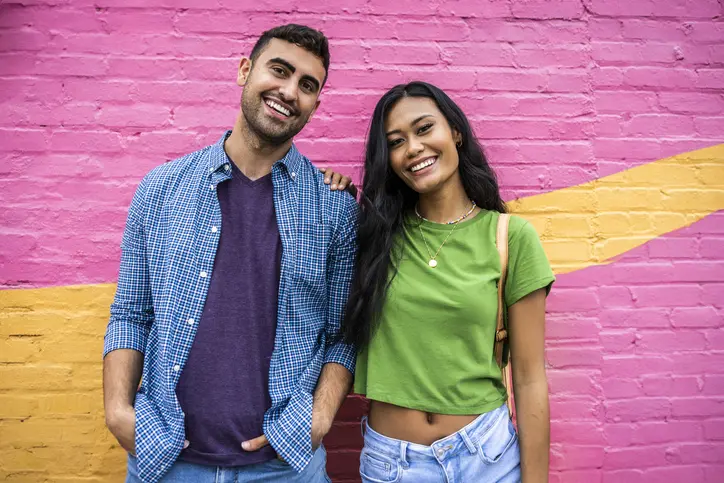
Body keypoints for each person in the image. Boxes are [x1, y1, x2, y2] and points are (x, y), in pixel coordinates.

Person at [103, 24, 359, 483]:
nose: (288, 91)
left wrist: (317, 420)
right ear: (245, 70)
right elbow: (130, 312)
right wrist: (118, 411)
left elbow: (343, 333)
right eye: (278, 70)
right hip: (166, 459)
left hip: (284, 466)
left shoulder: (333, 207)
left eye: (307, 85)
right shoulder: (161, 189)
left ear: (315, 105)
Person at [341, 81, 555, 482]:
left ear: (454, 132)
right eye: (396, 142)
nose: (414, 148)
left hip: (486, 457)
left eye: (424, 129)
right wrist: (327, 191)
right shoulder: (373, 236)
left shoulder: (510, 238)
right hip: (393, 465)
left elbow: (529, 378)